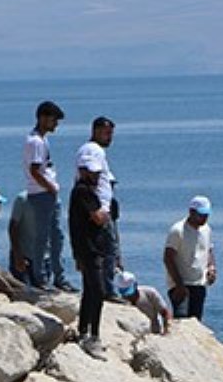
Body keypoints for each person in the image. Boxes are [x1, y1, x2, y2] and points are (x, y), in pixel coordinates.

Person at [24, 100, 73, 291]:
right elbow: (34, 170)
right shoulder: (35, 141)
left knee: (56, 236)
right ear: (43, 118)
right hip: (41, 194)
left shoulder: (42, 140)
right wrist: (50, 187)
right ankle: (40, 277)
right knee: (42, 238)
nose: (56, 125)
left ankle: (58, 277)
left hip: (47, 194)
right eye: (53, 120)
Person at [68, 163, 110, 358]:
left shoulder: (81, 192)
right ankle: (93, 336)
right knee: (98, 291)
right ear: (83, 172)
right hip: (90, 248)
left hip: (87, 248)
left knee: (89, 290)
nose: (96, 176)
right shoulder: (84, 192)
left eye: (97, 173)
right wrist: (106, 212)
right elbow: (99, 218)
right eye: (92, 172)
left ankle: (83, 330)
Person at [76, 116, 120, 297]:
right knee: (107, 251)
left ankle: (103, 288)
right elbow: (86, 173)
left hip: (102, 207)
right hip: (99, 210)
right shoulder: (92, 150)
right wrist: (96, 208)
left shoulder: (95, 150)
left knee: (105, 250)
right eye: (106, 133)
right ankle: (106, 290)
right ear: (95, 131)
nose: (109, 137)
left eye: (111, 134)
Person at [164, 195, 217, 319]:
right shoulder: (178, 230)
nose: (204, 218)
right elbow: (168, 258)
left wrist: (211, 267)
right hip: (180, 284)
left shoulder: (206, 229)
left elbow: (208, 250)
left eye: (206, 215)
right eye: (201, 214)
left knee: (195, 321)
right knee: (182, 320)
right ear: (191, 212)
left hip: (199, 283)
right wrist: (179, 284)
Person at [115, 270, 171, 335]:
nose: (128, 296)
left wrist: (166, 330)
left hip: (154, 330)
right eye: (124, 293)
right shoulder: (121, 303)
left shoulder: (150, 292)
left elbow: (164, 312)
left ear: (135, 285)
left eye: (129, 292)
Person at [6, 189, 38, 285]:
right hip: (24, 254)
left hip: (43, 256)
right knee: (21, 290)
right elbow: (13, 227)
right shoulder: (23, 199)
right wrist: (17, 255)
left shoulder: (52, 199)